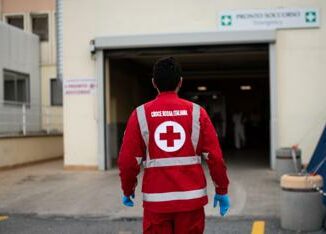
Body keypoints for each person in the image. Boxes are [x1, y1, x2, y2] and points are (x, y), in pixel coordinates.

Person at [118, 57, 230, 234]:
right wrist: (222, 189)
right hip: (191, 202)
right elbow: (214, 157)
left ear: (154, 83)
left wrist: (128, 188)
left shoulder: (140, 115)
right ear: (180, 82)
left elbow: (127, 161)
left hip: (156, 203)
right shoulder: (197, 113)